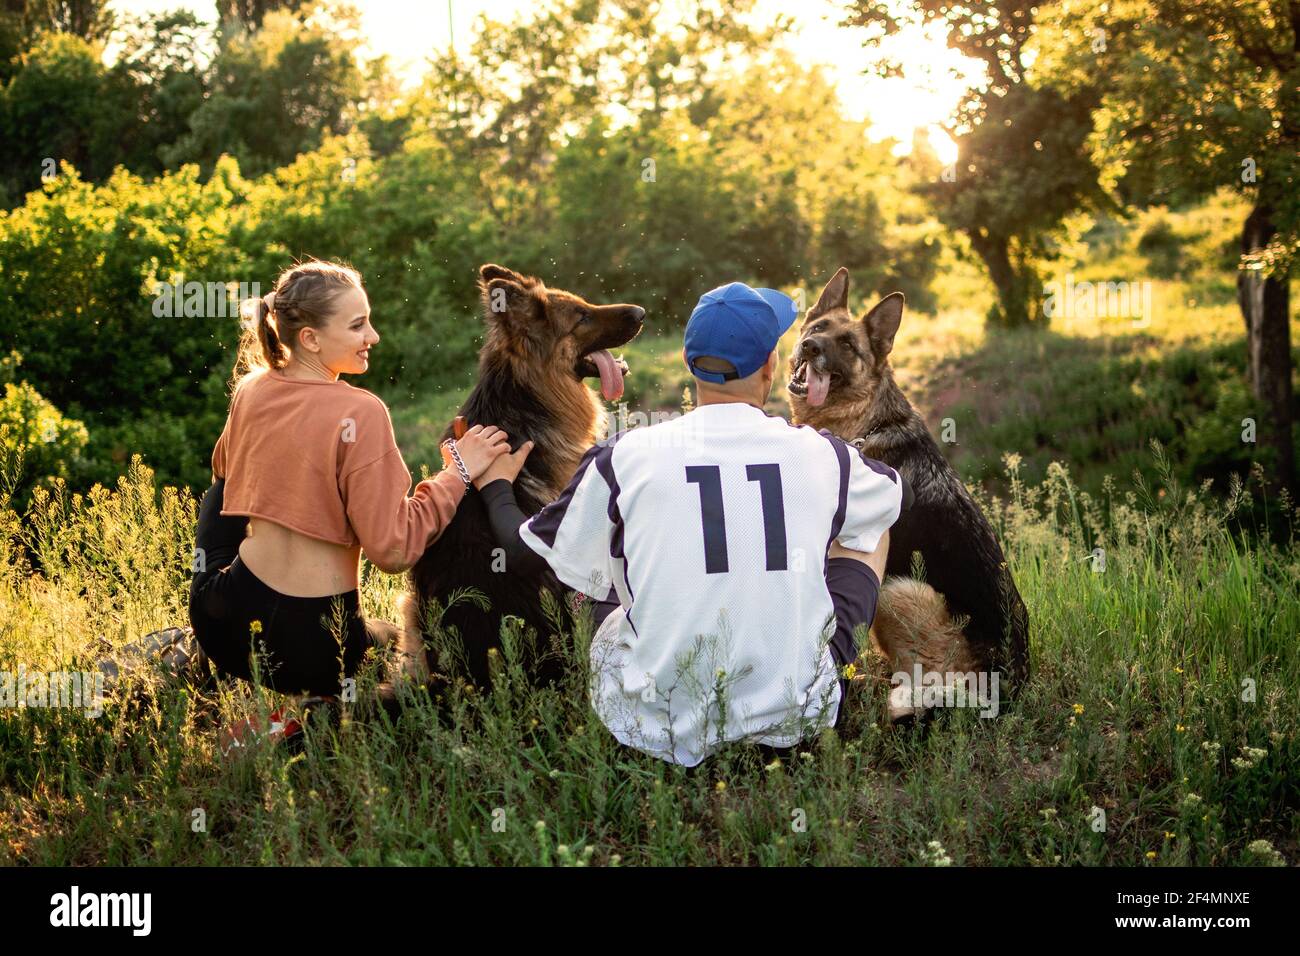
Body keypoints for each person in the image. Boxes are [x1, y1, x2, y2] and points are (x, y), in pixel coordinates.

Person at [473, 281, 912, 766]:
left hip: (653, 725)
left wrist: (495, 484)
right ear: (769, 367)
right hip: (797, 712)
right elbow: (897, 495)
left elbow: (519, 553)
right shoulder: (826, 456)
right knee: (870, 527)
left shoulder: (623, 454)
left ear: (687, 361)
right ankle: (817, 665)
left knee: (598, 569)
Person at [188, 259, 511, 699]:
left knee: (223, 484)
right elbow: (393, 549)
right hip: (318, 649)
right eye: (358, 326)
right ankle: (320, 708)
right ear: (311, 339)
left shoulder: (250, 390)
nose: (373, 337)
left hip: (223, 624)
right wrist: (457, 471)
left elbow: (225, 476)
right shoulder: (362, 412)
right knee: (386, 642)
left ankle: (218, 662)